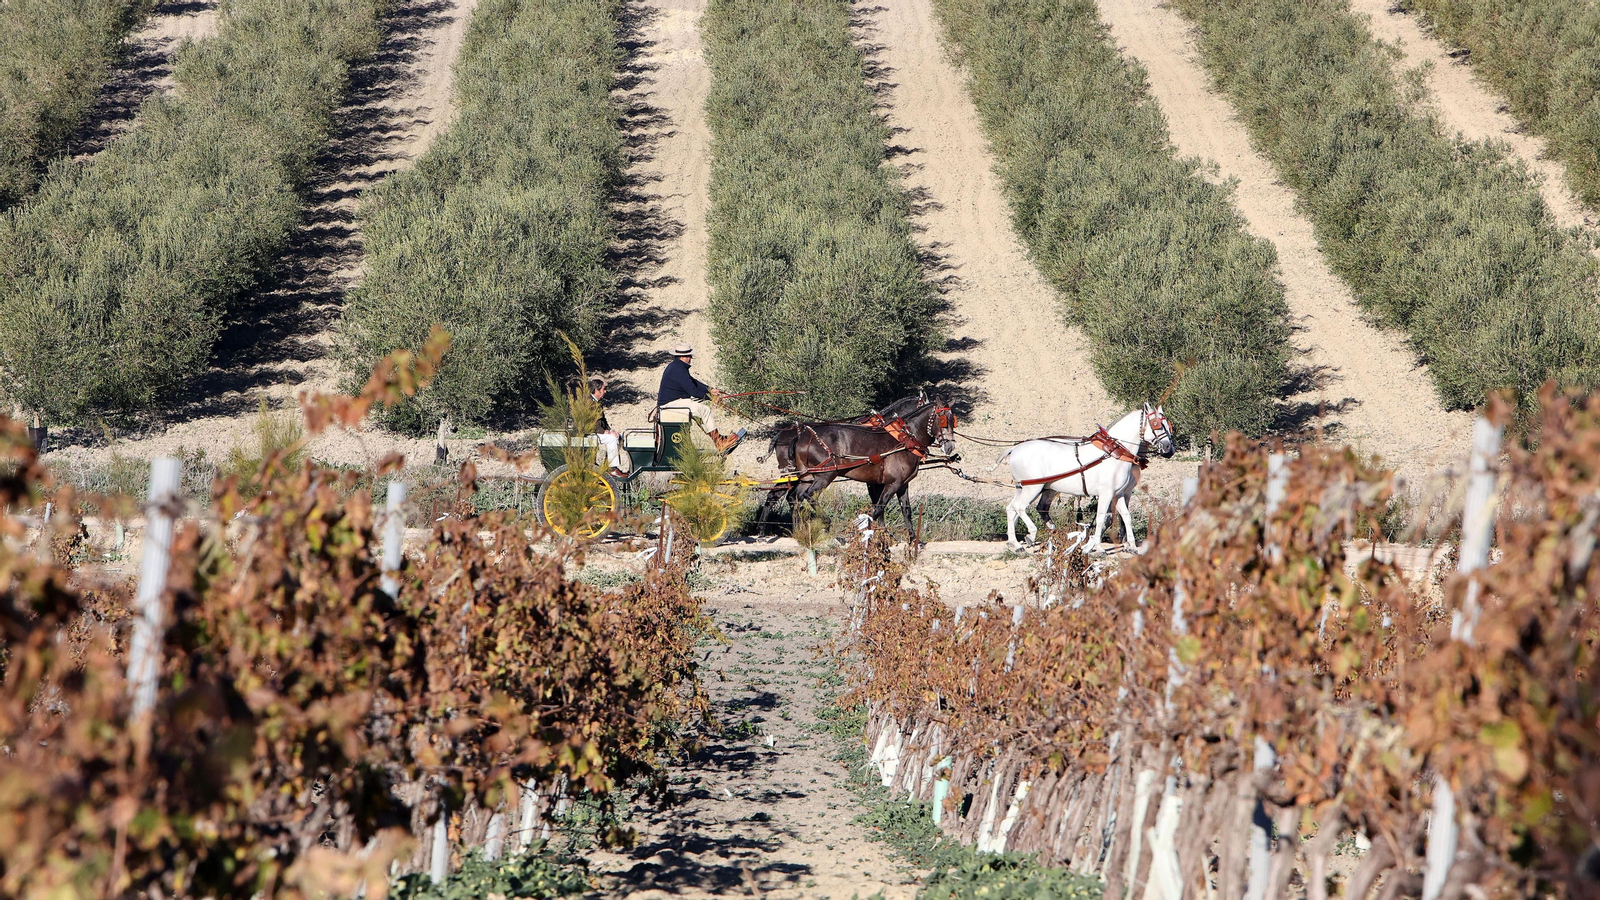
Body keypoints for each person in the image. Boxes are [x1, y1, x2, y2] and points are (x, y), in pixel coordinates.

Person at [657, 343, 744, 452]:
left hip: (673, 403)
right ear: (683, 357)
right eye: (689, 356)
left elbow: (693, 381)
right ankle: (719, 442)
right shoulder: (678, 369)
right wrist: (711, 397)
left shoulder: (677, 367)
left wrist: (710, 390)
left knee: (700, 412)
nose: (691, 358)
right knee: (704, 410)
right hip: (669, 405)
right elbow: (693, 391)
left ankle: (718, 439)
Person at [587, 377, 626, 478]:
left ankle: (606, 465)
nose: (605, 391)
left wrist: (610, 430)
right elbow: (590, 423)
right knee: (612, 439)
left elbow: (602, 420)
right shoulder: (588, 402)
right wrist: (605, 432)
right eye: (603, 389)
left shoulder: (596, 401)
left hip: (596, 431)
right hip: (588, 433)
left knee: (618, 436)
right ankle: (612, 469)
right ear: (596, 390)